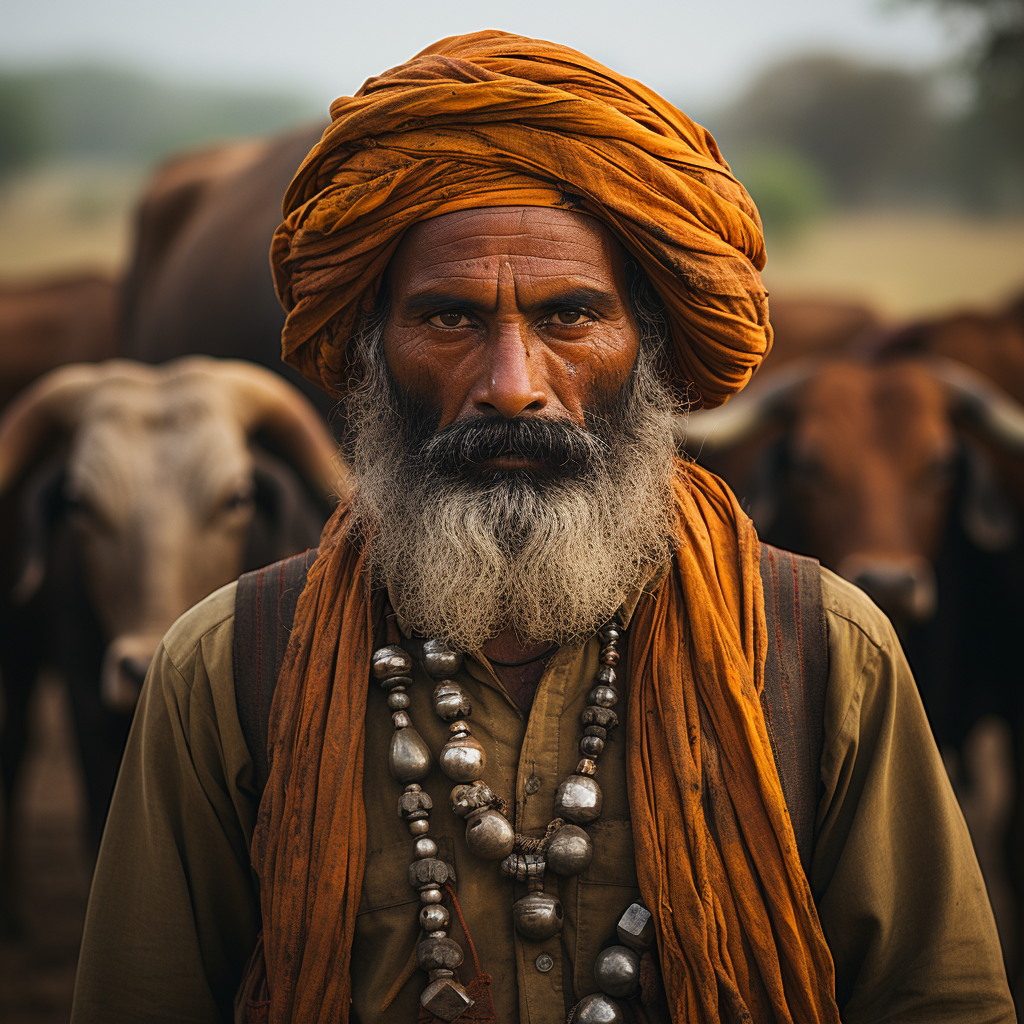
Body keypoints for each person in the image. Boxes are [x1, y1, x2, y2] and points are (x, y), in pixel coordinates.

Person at [70, 30, 1013, 1024]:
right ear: (369, 351)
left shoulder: (825, 648)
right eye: (448, 319)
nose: (511, 386)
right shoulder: (223, 667)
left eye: (570, 318)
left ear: (648, 348)